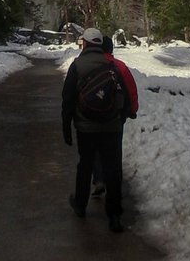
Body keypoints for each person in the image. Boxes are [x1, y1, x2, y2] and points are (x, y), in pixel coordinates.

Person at [61, 26, 130, 233]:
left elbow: (67, 99)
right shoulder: (112, 67)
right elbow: (124, 98)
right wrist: (120, 119)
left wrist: (66, 127)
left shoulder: (77, 65)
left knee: (85, 165)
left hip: (86, 127)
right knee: (113, 168)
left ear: (86, 43)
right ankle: (115, 215)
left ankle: (80, 205)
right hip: (111, 127)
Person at [91, 35, 138, 197]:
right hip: (116, 117)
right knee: (114, 149)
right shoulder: (120, 67)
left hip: (94, 116)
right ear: (111, 49)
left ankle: (98, 179)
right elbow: (131, 91)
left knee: (96, 148)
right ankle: (114, 184)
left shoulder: (90, 66)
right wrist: (132, 109)